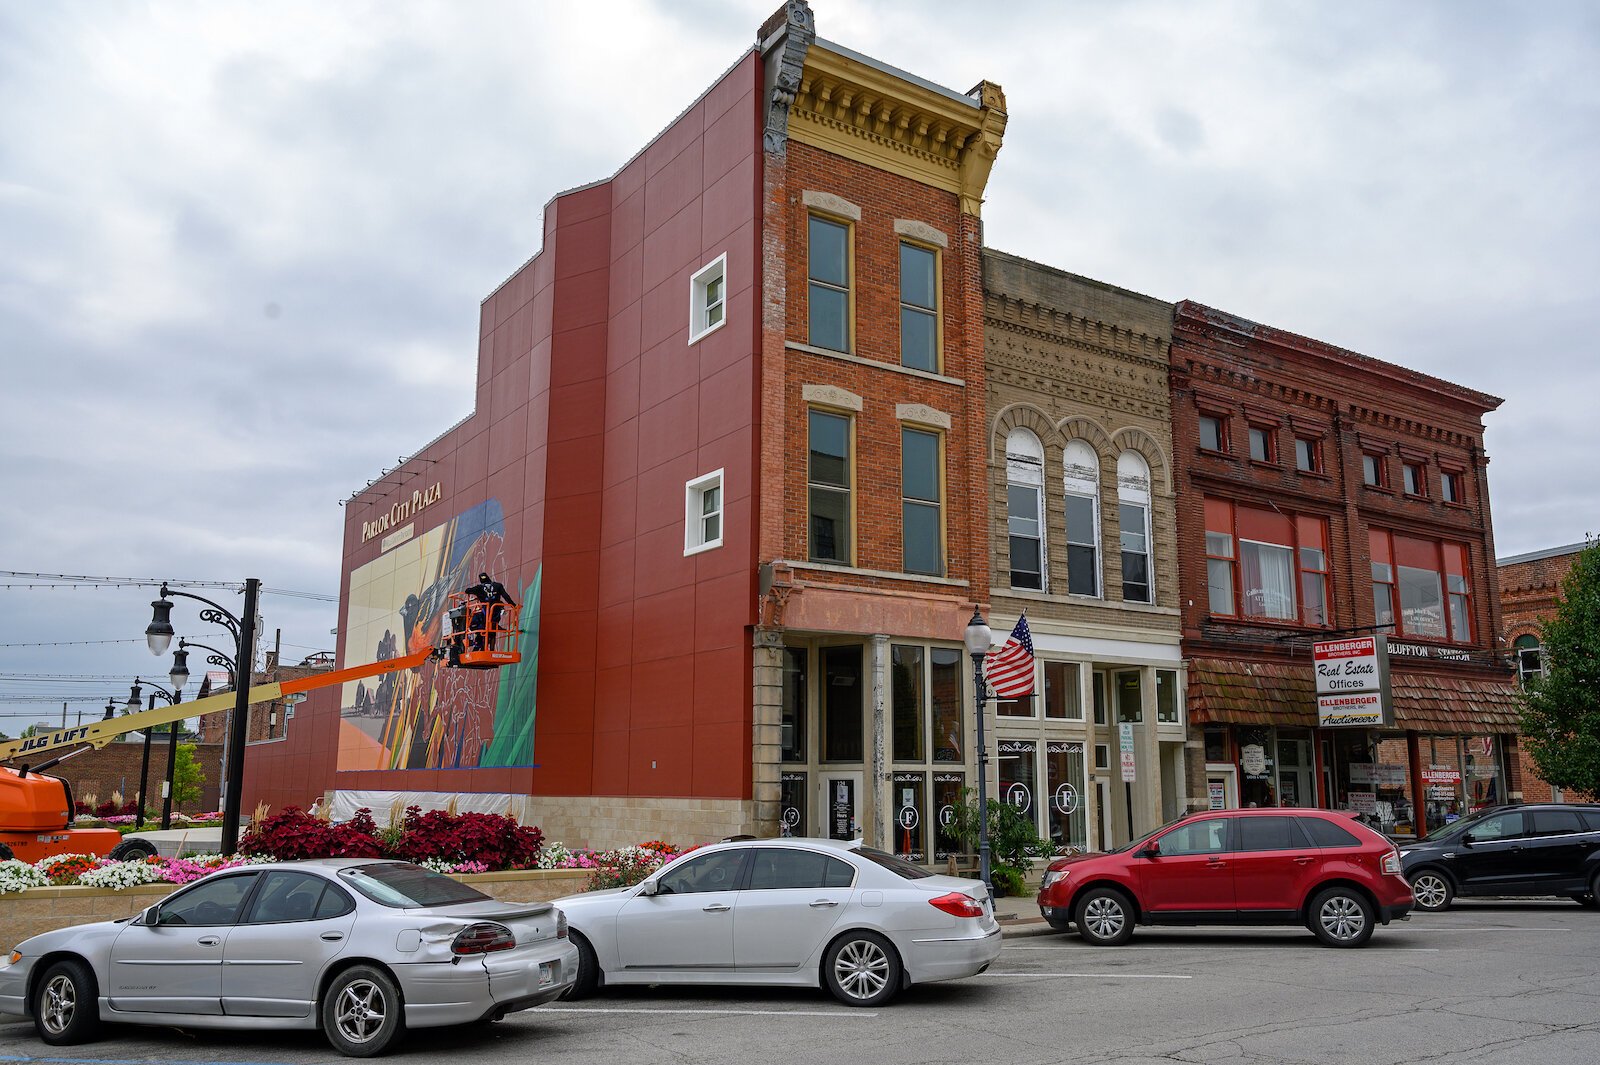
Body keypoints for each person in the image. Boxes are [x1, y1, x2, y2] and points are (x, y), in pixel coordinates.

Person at [464, 572, 518, 649]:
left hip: (486, 612)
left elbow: (467, 590)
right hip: (496, 612)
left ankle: (482, 647)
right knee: (492, 631)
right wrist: (513, 605)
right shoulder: (498, 585)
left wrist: (478, 595)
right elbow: (506, 596)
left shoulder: (479, 588)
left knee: (484, 628)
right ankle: (491, 649)